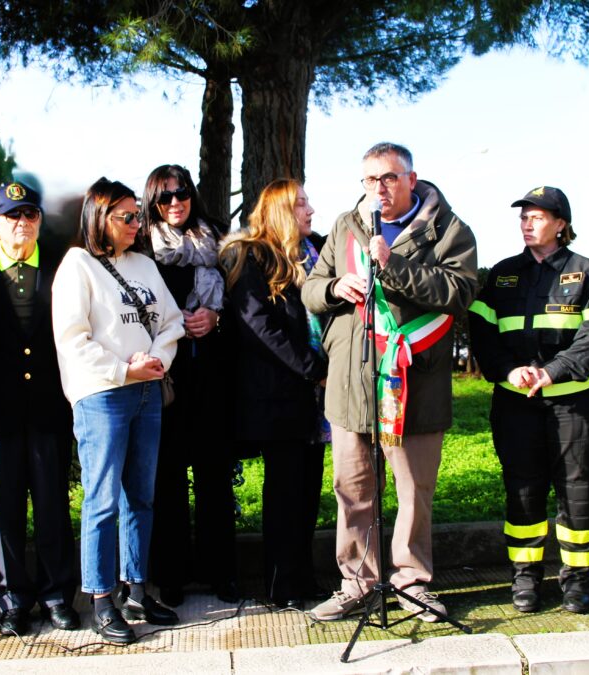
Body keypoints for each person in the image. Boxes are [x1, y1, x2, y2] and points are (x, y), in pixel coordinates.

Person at [302, 143, 479, 621]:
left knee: (413, 489)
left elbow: (458, 292)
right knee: (353, 487)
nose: (379, 188)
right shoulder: (346, 226)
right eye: (370, 180)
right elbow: (311, 288)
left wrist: (395, 266)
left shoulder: (450, 229)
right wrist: (335, 287)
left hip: (413, 383)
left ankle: (412, 581)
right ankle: (358, 581)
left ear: (411, 178)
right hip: (352, 382)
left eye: (389, 178)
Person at [469, 186, 589, 614]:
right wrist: (508, 371)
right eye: (523, 217)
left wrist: (553, 372)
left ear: (561, 224)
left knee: (577, 490)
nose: (527, 223)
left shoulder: (587, 271)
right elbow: (482, 332)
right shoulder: (501, 274)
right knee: (523, 490)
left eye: (537, 217)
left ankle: (577, 580)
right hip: (516, 403)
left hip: (574, 404)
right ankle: (526, 579)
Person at [51, 177, 184, 644]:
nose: (136, 224)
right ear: (98, 217)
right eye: (126, 217)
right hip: (103, 395)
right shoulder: (78, 266)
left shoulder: (145, 266)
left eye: (137, 217)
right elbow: (72, 339)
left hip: (147, 391)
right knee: (103, 499)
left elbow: (172, 322)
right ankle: (101, 599)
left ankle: (136, 589)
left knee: (141, 497)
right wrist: (123, 369)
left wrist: (156, 362)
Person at [0, 181, 79, 636]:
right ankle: (12, 600)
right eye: (12, 216)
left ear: (39, 221)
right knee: (4, 512)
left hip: (49, 409)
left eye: (29, 215)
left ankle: (56, 595)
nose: (22, 223)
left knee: (51, 507)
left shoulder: (62, 271)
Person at [220, 179, 328, 609]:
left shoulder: (314, 251)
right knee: (284, 494)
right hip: (278, 396)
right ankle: (281, 585)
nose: (310, 210)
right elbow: (259, 327)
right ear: (281, 210)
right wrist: (312, 367)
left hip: (314, 399)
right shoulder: (252, 256)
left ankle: (304, 578)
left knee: (307, 492)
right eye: (301, 203)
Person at [141, 165, 237, 606]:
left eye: (182, 194)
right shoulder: (142, 248)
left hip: (214, 374)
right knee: (168, 479)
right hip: (165, 379)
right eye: (165, 198)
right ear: (153, 203)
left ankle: (222, 571)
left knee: (215, 475)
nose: (175, 203)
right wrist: (176, 326)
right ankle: (172, 573)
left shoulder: (217, 238)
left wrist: (217, 318)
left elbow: (243, 302)